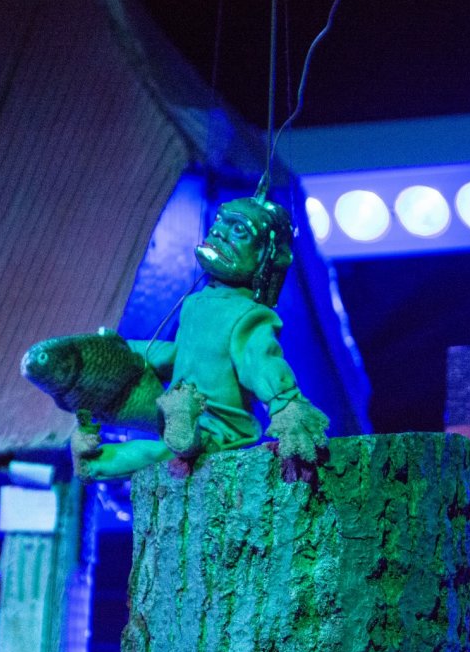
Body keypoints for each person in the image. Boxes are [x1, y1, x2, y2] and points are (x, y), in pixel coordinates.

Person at [23, 195, 328, 481]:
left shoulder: (250, 315)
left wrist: (285, 403)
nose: (220, 232)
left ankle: (184, 434)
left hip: (221, 428)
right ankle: (93, 460)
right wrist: (128, 350)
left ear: (263, 256)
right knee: (150, 453)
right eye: (220, 220)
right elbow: (179, 354)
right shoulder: (196, 304)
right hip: (179, 411)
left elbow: (259, 360)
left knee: (169, 449)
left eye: (239, 230)